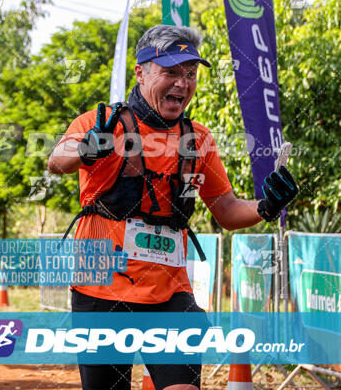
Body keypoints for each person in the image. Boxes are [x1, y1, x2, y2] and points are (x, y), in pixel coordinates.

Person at [48, 24, 298, 390]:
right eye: (170, 72)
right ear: (141, 72)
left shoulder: (198, 140)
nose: (183, 83)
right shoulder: (103, 124)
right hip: (100, 289)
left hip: (169, 293)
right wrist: (86, 148)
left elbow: (226, 210)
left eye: (190, 74)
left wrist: (266, 206)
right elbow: (57, 160)